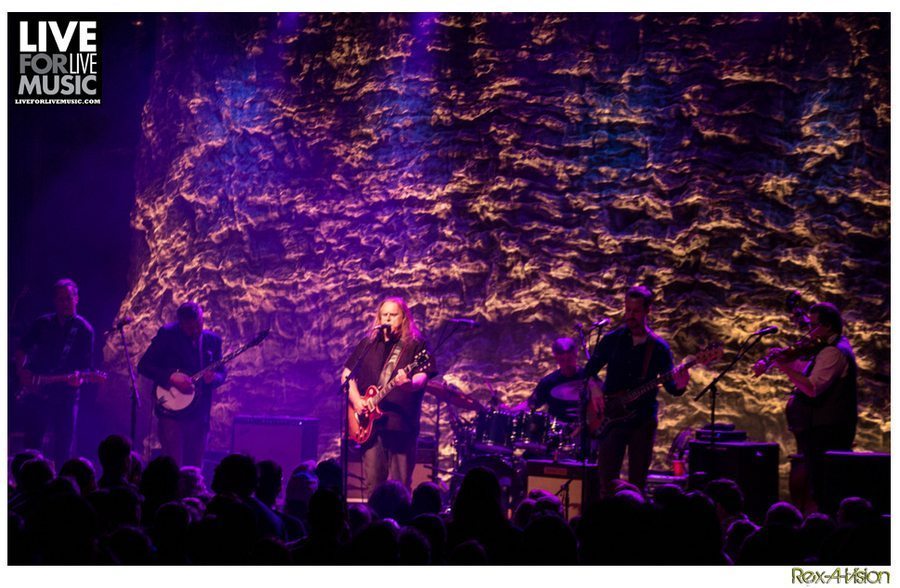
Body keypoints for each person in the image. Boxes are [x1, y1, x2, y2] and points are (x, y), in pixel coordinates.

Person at [584, 285, 691, 493]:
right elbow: (588, 371)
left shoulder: (658, 347)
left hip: (642, 420)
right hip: (611, 417)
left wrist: (681, 384)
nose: (630, 316)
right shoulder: (612, 340)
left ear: (647, 311)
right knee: (606, 480)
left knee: (637, 483)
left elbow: (671, 387)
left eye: (636, 311)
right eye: (628, 310)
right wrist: (594, 387)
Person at [342, 297, 436, 497]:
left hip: (401, 426)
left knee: (400, 487)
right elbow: (347, 375)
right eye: (384, 314)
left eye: (393, 315)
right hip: (370, 427)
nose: (387, 318)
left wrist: (409, 384)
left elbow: (422, 377)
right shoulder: (368, 344)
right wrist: (357, 401)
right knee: (373, 487)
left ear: (404, 318)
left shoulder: (416, 345)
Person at [771, 302, 857, 513]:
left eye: (814, 325)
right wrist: (781, 361)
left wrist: (784, 368)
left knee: (824, 485)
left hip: (828, 428)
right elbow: (807, 369)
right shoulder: (825, 349)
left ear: (828, 326)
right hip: (819, 427)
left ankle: (824, 519)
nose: (809, 331)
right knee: (818, 483)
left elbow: (812, 388)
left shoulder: (834, 352)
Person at [14, 279, 95, 467]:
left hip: (65, 396)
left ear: (76, 299)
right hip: (37, 392)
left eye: (68, 298)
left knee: (63, 448)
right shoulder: (42, 323)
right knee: (31, 446)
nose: (64, 303)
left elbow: (86, 368)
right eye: (60, 299)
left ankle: (61, 481)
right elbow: (21, 349)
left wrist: (79, 379)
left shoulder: (84, 330)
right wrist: (22, 372)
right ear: (54, 301)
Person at [137, 301, 225, 466]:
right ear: (180, 323)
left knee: (195, 467)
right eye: (189, 327)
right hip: (172, 414)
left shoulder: (213, 340)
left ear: (202, 319)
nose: (195, 330)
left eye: (198, 324)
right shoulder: (167, 335)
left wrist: (214, 378)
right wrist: (170, 377)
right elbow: (144, 366)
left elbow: (222, 373)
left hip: (200, 414)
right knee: (173, 465)